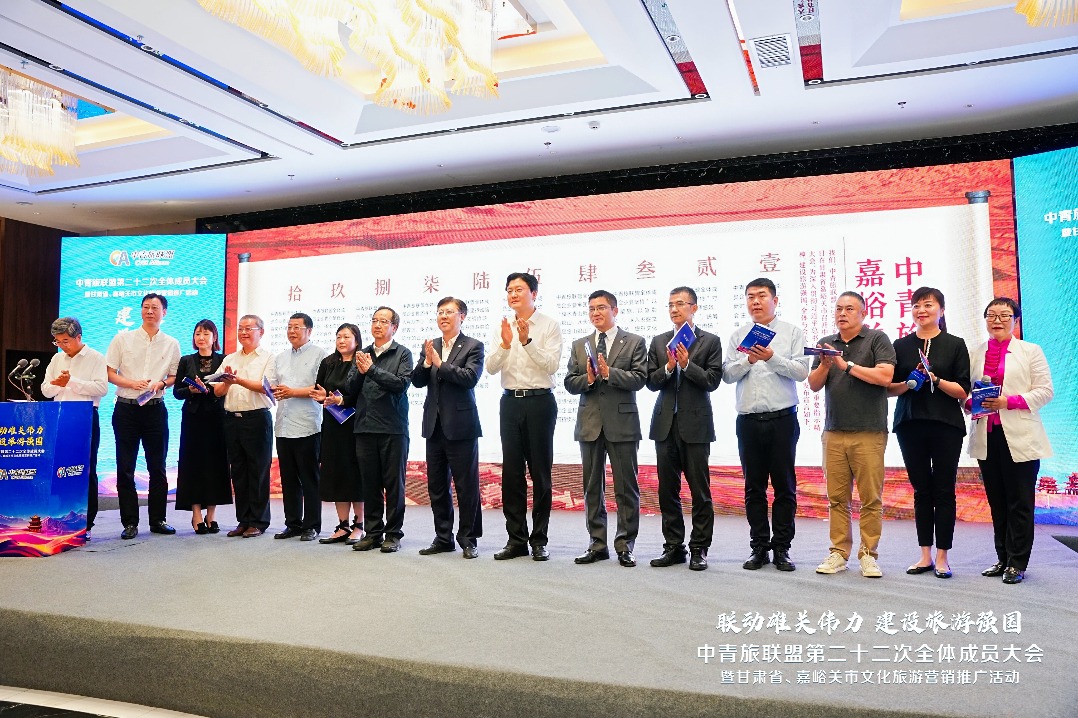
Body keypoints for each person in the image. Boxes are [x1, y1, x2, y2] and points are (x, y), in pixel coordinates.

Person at [722, 278, 810, 572]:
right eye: (750, 297)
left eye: (761, 296)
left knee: (785, 486)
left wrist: (772, 358)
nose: (755, 302)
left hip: (782, 419)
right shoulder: (738, 336)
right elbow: (727, 375)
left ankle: (782, 548)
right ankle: (759, 547)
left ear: (775, 300)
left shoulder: (791, 332)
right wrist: (747, 361)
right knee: (753, 487)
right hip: (748, 421)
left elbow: (801, 372)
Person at [808, 291, 896, 578]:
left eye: (849, 309)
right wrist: (825, 365)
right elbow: (814, 385)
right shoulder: (827, 343)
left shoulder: (877, 339)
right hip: (834, 431)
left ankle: (869, 554)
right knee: (836, 498)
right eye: (838, 309)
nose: (842, 314)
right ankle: (838, 552)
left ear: (863, 313)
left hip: (869, 431)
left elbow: (885, 376)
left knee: (871, 498)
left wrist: (847, 366)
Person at [886, 287, 970, 579]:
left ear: (941, 310)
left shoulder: (955, 344)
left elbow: (963, 390)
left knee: (944, 490)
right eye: (916, 306)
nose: (921, 310)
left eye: (928, 305)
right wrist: (909, 383)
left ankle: (943, 557)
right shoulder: (900, 345)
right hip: (910, 424)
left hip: (946, 425)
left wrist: (935, 379)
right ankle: (925, 555)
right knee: (921, 490)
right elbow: (888, 389)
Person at [968, 297, 1053, 585]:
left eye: (1005, 315)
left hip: (1020, 436)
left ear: (1016, 320)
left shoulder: (1031, 351)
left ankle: (1017, 562)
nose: (997, 320)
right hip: (988, 435)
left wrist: (1008, 401)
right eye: (991, 315)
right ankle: (1002, 558)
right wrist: (969, 403)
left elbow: (1045, 391)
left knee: (1020, 502)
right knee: (997, 502)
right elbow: (968, 392)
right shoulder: (975, 353)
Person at [564, 290, 646, 568]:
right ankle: (597, 544)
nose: (595, 313)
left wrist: (611, 373)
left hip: (622, 424)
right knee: (592, 488)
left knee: (626, 488)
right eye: (591, 309)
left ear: (615, 310)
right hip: (590, 425)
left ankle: (625, 545)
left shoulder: (634, 341)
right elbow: (569, 382)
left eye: (601, 307)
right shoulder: (580, 344)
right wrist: (587, 379)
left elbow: (640, 378)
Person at [485, 272, 563, 561]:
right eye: (509, 290)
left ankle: (539, 540)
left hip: (540, 402)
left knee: (541, 473)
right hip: (510, 403)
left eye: (519, 289)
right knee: (512, 474)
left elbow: (551, 365)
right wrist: (506, 344)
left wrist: (526, 341)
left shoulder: (549, 325)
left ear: (534, 293)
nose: (513, 294)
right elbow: (491, 368)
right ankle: (516, 539)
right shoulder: (502, 327)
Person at [646, 286, 723, 571]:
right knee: (667, 491)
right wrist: (668, 367)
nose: (674, 309)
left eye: (680, 304)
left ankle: (699, 548)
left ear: (694, 308)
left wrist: (687, 365)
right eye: (670, 305)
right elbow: (650, 382)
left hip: (696, 426)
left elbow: (712, 381)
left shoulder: (709, 341)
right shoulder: (659, 341)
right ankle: (673, 547)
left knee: (700, 492)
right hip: (665, 426)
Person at [412, 297, 484, 559]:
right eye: (440, 312)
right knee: (437, 486)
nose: (443, 316)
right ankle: (443, 537)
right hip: (434, 426)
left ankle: (468, 538)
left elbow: (470, 378)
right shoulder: (431, 346)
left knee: (466, 486)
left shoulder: (473, 346)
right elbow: (417, 381)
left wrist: (440, 364)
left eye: (449, 312)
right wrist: (427, 363)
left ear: (461, 316)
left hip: (461, 426)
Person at [105, 293, 181, 540]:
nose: (150, 311)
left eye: (155, 308)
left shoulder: (171, 343)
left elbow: (174, 376)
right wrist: (131, 383)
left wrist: (162, 383)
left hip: (155, 409)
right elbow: (109, 372)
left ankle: (158, 520)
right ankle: (129, 522)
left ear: (164, 312)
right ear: (140, 310)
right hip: (126, 409)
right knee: (125, 466)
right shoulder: (122, 339)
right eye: (146, 307)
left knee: (157, 467)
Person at [351, 307, 413, 554]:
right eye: (374, 320)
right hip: (365, 427)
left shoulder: (403, 353)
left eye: (383, 321)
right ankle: (373, 533)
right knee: (370, 484)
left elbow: (401, 385)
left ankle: (393, 534)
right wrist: (360, 372)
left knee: (394, 485)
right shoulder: (363, 353)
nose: (377, 325)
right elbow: (351, 388)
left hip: (392, 428)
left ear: (394, 327)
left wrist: (372, 370)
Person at [41, 317, 108, 538]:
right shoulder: (56, 359)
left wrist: (71, 382)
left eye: (65, 341)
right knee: (59, 468)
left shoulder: (96, 357)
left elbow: (101, 388)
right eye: (57, 341)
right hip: (60, 418)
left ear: (78, 337)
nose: (61, 345)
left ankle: (86, 524)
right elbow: (45, 390)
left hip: (85, 416)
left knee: (85, 469)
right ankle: (59, 520)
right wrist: (57, 384)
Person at [215, 314, 277, 538]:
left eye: (249, 328)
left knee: (258, 471)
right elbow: (218, 391)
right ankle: (243, 520)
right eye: (240, 328)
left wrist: (238, 380)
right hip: (232, 420)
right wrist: (226, 383)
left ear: (261, 332)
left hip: (257, 419)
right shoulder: (230, 358)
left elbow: (266, 387)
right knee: (239, 471)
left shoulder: (269, 358)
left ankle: (259, 521)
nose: (243, 332)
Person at [271, 313, 328, 541]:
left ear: (309, 331)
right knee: (289, 479)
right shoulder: (281, 357)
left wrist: (292, 392)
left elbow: (320, 389)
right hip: (283, 425)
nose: (292, 331)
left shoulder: (320, 355)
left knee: (309, 478)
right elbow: (274, 385)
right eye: (289, 327)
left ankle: (311, 525)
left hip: (307, 425)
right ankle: (293, 523)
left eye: (297, 327)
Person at [173, 319, 232, 535]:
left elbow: (227, 388)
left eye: (206, 334)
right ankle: (196, 514)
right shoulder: (186, 360)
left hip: (217, 418)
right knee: (193, 466)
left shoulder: (224, 359)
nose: (201, 337)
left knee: (215, 465)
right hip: (193, 419)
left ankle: (211, 515)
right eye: (198, 333)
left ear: (214, 337)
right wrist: (191, 390)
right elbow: (177, 392)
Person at [311, 323, 365, 545]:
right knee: (335, 474)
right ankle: (342, 525)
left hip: (355, 425)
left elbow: (363, 393)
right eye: (338, 337)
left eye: (346, 337)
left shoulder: (361, 362)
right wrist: (323, 397)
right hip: (333, 425)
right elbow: (320, 390)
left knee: (355, 475)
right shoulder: (328, 362)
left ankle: (359, 525)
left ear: (357, 340)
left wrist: (342, 400)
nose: (341, 341)